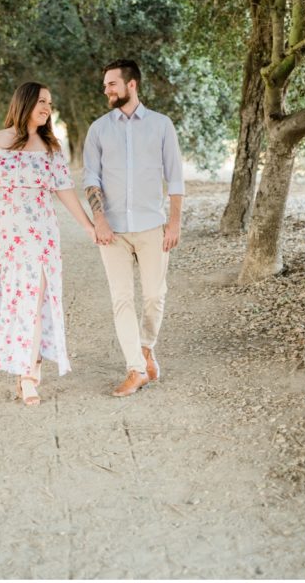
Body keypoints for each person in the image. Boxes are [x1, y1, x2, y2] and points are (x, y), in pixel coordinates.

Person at [0, 82, 98, 405]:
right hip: (5, 237)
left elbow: (65, 190)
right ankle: (19, 367)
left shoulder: (51, 147)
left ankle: (29, 375)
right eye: (42, 101)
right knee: (13, 303)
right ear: (24, 103)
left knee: (36, 302)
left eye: (50, 103)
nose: (47, 108)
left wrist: (88, 226)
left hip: (41, 237)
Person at [83, 59, 184, 397]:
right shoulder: (98, 129)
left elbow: (175, 177)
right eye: (105, 85)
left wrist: (174, 222)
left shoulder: (161, 125)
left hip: (153, 226)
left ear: (131, 85)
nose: (107, 90)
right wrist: (99, 220)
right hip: (112, 231)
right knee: (121, 299)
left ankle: (145, 346)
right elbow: (91, 178)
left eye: (112, 84)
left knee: (155, 295)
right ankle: (135, 368)